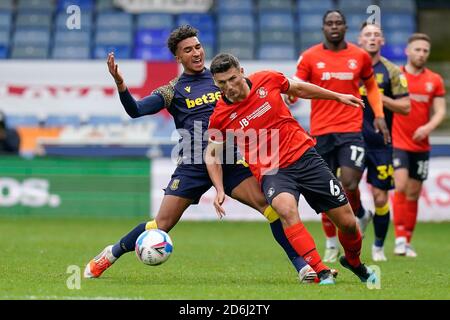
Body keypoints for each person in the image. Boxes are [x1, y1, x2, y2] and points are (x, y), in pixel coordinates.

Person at [84, 25, 318, 283]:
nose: (196, 53)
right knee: (160, 225)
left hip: (228, 158)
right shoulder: (172, 90)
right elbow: (136, 110)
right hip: (193, 163)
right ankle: (110, 254)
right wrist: (120, 84)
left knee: (271, 209)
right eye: (188, 50)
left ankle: (303, 267)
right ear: (178, 57)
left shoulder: (221, 78)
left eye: (197, 47)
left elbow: (253, 97)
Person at [207, 53, 377, 285]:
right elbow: (211, 155)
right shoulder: (220, 116)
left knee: (347, 223)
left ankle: (354, 262)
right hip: (273, 172)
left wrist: (337, 97)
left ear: (242, 72)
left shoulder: (267, 79)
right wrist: (218, 189)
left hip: (306, 158)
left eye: (232, 79)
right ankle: (320, 270)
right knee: (285, 210)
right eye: (222, 83)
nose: (229, 87)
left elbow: (300, 89)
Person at [290, 10, 390, 262]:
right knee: (326, 190)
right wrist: (290, 96)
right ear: (323, 28)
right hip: (321, 132)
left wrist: (378, 114)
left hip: (350, 130)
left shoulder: (359, 56)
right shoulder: (310, 57)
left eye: (338, 23)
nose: (334, 26)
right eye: (329, 23)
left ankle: (358, 212)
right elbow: (296, 86)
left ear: (345, 27)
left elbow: (371, 86)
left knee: (349, 182)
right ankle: (332, 243)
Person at [358, 22, 411, 261]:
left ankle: (378, 247)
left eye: (376, 35)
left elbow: (406, 106)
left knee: (380, 197)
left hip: (380, 142)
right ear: (359, 40)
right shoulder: (350, 68)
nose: (372, 38)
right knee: (344, 186)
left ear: (383, 41)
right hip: (351, 139)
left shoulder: (393, 71)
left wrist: (380, 97)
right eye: (367, 34)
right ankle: (360, 214)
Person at [392, 33, 447, 257]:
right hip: (398, 141)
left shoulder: (434, 79)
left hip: (421, 145)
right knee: (401, 185)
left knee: (414, 193)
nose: (421, 54)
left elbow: (441, 110)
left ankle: (407, 240)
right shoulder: (396, 77)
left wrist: (428, 127)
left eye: (425, 50)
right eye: (418, 49)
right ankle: (398, 238)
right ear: (408, 51)